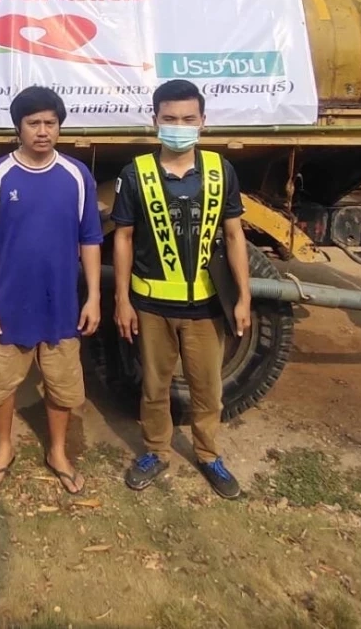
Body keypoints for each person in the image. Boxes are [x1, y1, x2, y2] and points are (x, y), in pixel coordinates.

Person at [110, 79, 251, 498]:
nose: (179, 125)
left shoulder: (219, 170)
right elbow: (122, 238)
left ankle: (208, 455)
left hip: (207, 307)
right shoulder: (135, 174)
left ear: (203, 122)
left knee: (208, 389)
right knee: (154, 387)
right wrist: (122, 299)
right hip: (152, 305)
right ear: (155, 120)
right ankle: (156, 450)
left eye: (188, 118)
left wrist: (243, 297)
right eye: (170, 118)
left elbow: (234, 235)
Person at [0, 85, 104, 495]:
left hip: (61, 306)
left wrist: (93, 296)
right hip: (7, 305)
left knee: (63, 386)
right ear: (18, 128)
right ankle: (4, 448)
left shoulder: (77, 176)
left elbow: (91, 239)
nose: (43, 131)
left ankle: (58, 451)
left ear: (59, 127)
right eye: (33, 123)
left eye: (50, 123)